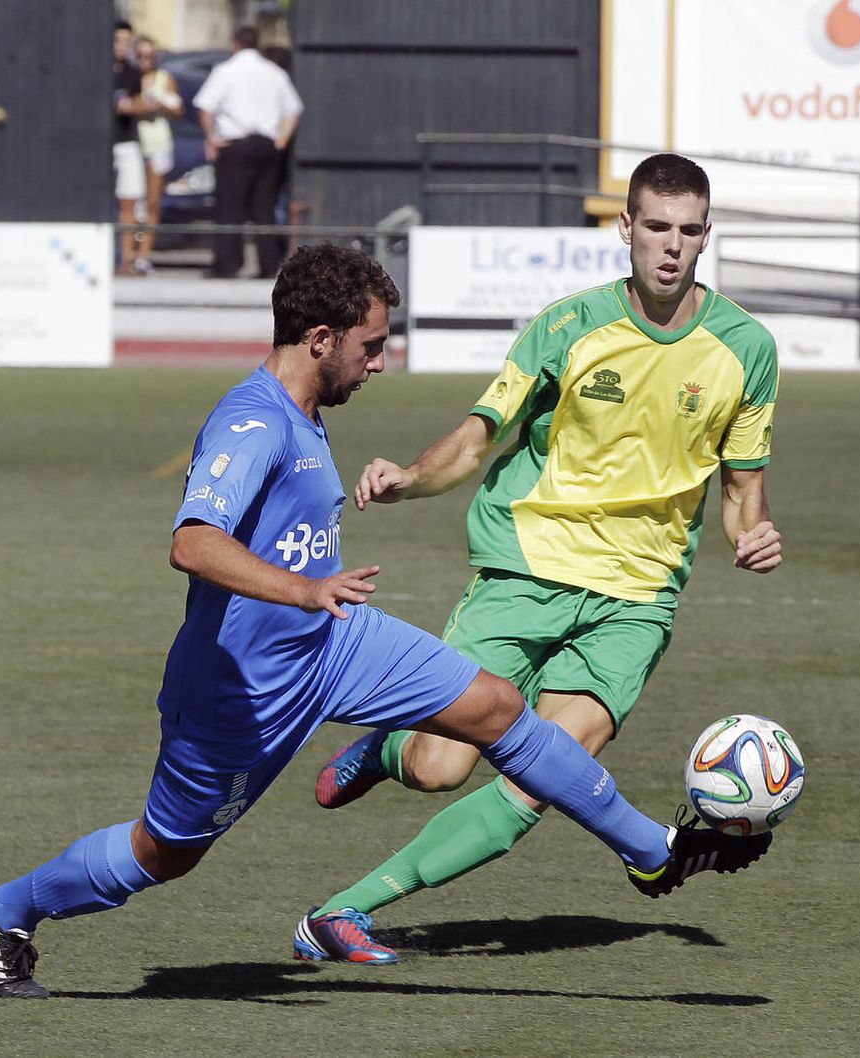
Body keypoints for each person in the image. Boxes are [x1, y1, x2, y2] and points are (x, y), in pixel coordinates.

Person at [0, 242, 771, 1000]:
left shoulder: (305, 415)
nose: (381, 361)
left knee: (492, 706)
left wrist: (319, 602)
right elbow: (193, 544)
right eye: (371, 345)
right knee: (164, 853)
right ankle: (3, 912)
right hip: (245, 690)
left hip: (337, 643)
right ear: (319, 338)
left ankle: (653, 855)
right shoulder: (253, 421)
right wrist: (305, 591)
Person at [296, 153, 783, 964]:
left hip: (637, 597)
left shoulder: (745, 349)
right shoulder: (569, 327)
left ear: (706, 237)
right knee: (440, 765)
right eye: (655, 227)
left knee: (538, 783)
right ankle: (388, 749)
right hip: (527, 569)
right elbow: (481, 436)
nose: (670, 246)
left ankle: (343, 912)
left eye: (688, 231)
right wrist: (411, 477)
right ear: (625, 228)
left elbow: (743, 491)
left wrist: (751, 536)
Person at [193, 26, 301, 279]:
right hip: (268, 146)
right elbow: (293, 108)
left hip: (236, 144)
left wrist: (211, 138)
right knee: (264, 206)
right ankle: (267, 265)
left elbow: (205, 105)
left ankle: (228, 265)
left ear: (234, 44)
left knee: (230, 206)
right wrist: (282, 138)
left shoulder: (226, 71)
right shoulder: (274, 72)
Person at [132, 35, 183, 275]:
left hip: (158, 145)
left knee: (152, 203)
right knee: (130, 201)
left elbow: (179, 109)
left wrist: (161, 104)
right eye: (140, 56)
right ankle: (128, 253)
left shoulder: (165, 79)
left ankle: (144, 256)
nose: (145, 61)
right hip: (133, 143)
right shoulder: (130, 78)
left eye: (150, 56)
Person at [112, 20, 146, 276]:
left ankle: (127, 259)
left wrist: (135, 106)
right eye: (118, 41)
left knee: (129, 201)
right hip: (103, 144)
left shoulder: (133, 73)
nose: (122, 47)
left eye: (127, 42)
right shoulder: (96, 70)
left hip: (126, 142)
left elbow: (139, 102)